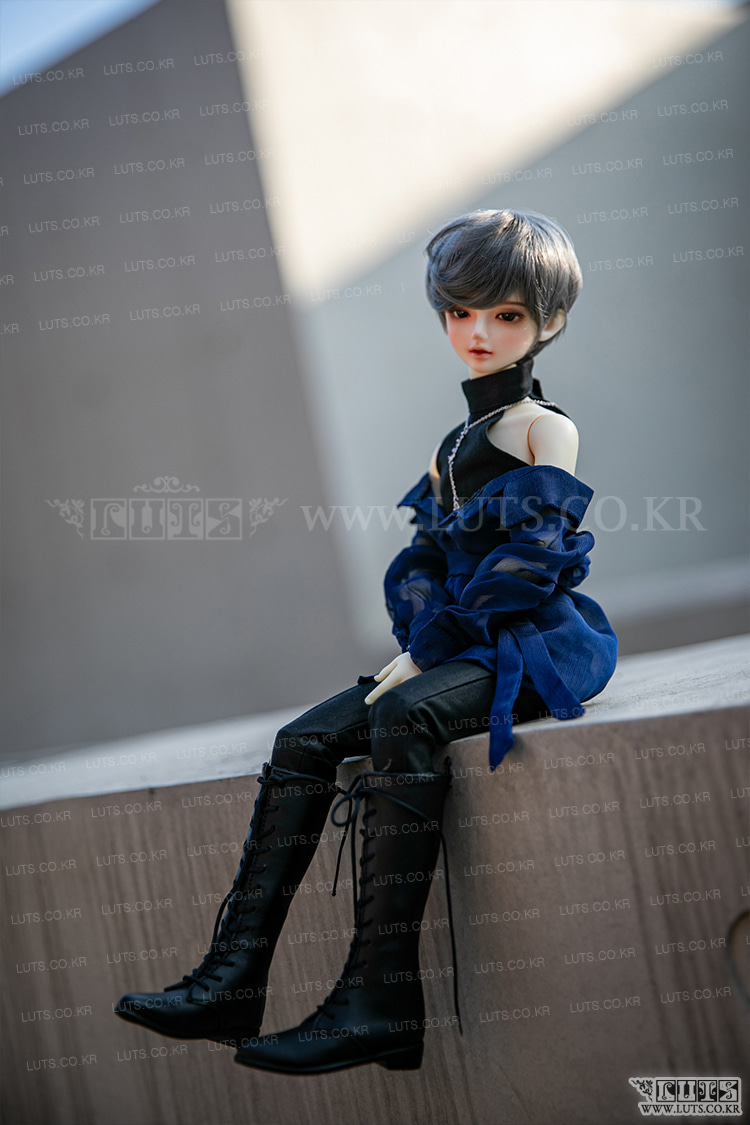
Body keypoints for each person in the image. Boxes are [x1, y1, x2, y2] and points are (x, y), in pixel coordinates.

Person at [115, 207, 618, 1075]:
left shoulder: (543, 427)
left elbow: (532, 560)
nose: (477, 331)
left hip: (533, 642)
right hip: (455, 640)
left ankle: (378, 997)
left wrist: (430, 649)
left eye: (505, 314)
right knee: (304, 738)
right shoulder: (452, 443)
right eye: (460, 311)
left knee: (402, 717)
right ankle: (231, 975)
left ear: (551, 321)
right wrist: (421, 633)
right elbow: (425, 556)